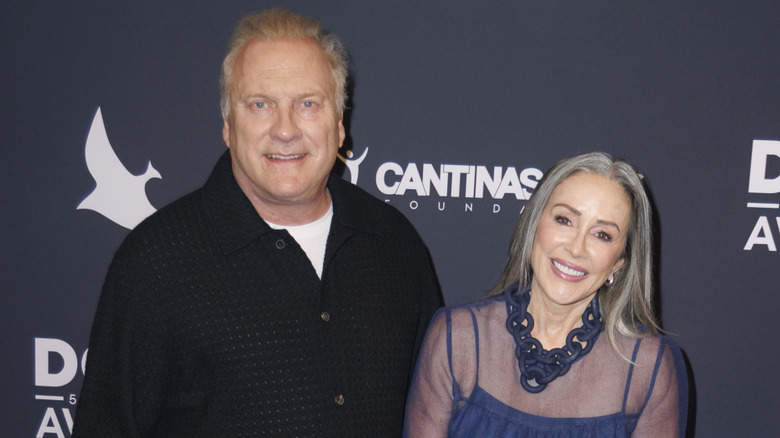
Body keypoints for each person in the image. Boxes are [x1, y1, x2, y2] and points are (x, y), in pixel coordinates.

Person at [73, 8, 441, 438]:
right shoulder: (155, 263)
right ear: (228, 124)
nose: (285, 130)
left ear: (339, 125)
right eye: (260, 105)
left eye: (307, 104)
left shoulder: (395, 245)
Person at [404, 152, 688, 437]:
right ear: (534, 224)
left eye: (602, 235)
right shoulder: (457, 338)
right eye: (564, 220)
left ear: (619, 263)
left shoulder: (647, 367)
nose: (576, 248)